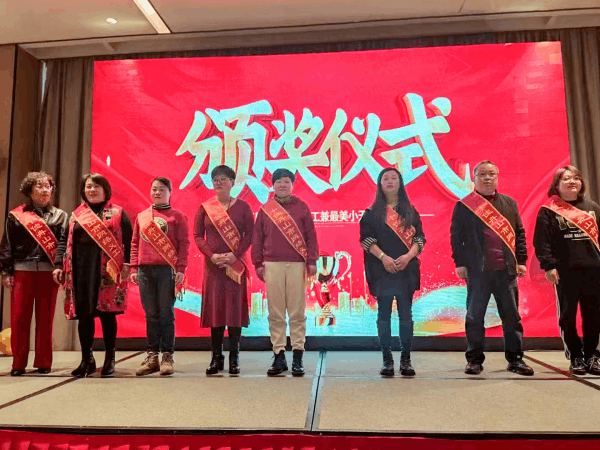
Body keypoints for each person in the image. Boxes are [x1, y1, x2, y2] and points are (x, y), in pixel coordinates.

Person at [451, 160, 534, 376]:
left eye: (491, 174)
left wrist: (521, 260)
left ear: (497, 177)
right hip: (477, 271)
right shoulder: (464, 205)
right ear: (474, 178)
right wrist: (460, 263)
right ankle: (474, 361)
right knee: (474, 317)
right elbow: (456, 238)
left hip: (506, 271)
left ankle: (516, 360)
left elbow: (519, 233)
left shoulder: (509, 203)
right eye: (482, 174)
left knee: (511, 317)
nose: (487, 178)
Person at [62, 174, 132, 378]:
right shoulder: (76, 215)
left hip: (107, 271)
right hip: (80, 270)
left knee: (108, 315)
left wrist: (128, 264)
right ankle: (87, 359)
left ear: (105, 190)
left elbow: (130, 241)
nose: (92, 190)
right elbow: (63, 241)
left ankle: (110, 358)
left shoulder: (118, 213)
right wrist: (59, 265)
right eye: (88, 186)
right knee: (84, 315)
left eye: (96, 186)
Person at [533, 165, 600, 376]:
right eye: (566, 178)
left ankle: (592, 355)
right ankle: (576, 356)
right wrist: (549, 266)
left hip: (594, 270)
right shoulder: (548, 210)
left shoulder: (592, 207)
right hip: (565, 271)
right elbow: (542, 242)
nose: (572, 181)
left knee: (594, 316)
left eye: (576, 178)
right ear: (557, 185)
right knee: (567, 316)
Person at [252, 168, 318, 377]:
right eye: (278, 181)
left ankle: (298, 356)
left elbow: (310, 236)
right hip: (272, 265)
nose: (282, 185)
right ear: (273, 185)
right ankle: (279, 355)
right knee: (276, 312)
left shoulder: (301, 207)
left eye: (287, 181)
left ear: (292, 184)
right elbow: (257, 239)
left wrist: (312, 261)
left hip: (297, 264)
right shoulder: (265, 210)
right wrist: (258, 263)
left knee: (297, 312)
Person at [0, 172, 68, 376]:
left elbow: (64, 246)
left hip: (49, 273)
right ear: (29, 191)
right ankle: (18, 364)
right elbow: (7, 245)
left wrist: (62, 268)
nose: (45, 190)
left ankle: (44, 362)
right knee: (19, 318)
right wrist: (6, 272)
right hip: (22, 271)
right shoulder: (16, 215)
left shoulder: (60, 216)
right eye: (39, 186)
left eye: (48, 186)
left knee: (46, 319)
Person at [359, 168, 425, 376]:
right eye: (385, 178)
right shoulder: (372, 213)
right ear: (379, 184)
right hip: (382, 269)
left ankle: (406, 359)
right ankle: (387, 359)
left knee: (406, 315)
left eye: (393, 178)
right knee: (384, 315)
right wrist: (383, 258)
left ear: (400, 183)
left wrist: (408, 257)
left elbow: (419, 239)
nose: (389, 181)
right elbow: (366, 240)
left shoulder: (410, 211)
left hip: (406, 269)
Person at [194, 166, 254, 375]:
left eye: (223, 179)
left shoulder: (243, 207)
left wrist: (235, 255)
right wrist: (211, 255)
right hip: (214, 266)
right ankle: (216, 357)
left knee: (235, 311)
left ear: (232, 182)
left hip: (235, 266)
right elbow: (198, 236)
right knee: (216, 311)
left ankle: (234, 358)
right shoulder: (205, 207)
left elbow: (249, 235)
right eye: (215, 180)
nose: (219, 183)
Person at [130, 177, 190, 376]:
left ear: (170, 192)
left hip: (167, 271)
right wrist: (133, 268)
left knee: (166, 314)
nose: (157, 193)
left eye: (162, 189)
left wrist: (181, 268)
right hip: (145, 270)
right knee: (151, 314)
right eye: (154, 189)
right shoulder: (142, 217)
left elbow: (184, 245)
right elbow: (135, 243)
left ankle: (167, 357)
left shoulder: (178, 217)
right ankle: (152, 357)